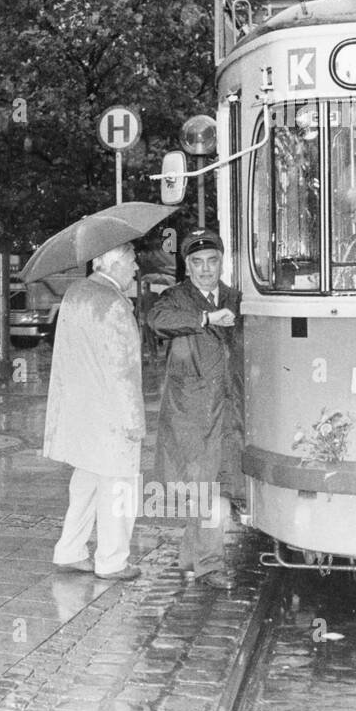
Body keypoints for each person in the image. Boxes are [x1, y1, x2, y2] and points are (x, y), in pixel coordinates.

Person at [147, 230, 242, 591]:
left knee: (212, 482)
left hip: (228, 407)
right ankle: (209, 564)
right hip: (192, 411)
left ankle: (191, 554)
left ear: (222, 262)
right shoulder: (176, 298)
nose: (205, 270)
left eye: (212, 261)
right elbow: (156, 321)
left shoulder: (235, 297)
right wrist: (205, 319)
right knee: (205, 486)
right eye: (197, 263)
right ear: (187, 266)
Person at [44, 242, 145, 580]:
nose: (135, 268)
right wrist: (134, 421)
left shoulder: (75, 292)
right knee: (119, 488)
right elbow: (123, 370)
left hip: (80, 415)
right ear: (113, 264)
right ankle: (112, 561)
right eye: (131, 261)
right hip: (112, 419)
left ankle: (70, 550)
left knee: (85, 484)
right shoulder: (114, 303)